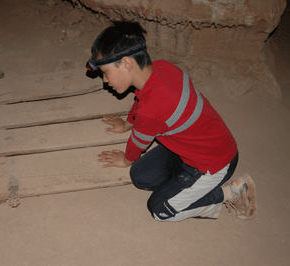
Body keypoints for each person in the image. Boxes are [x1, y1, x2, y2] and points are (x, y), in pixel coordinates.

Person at [87, 21, 257, 221]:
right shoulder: (162, 67)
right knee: (140, 175)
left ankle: (233, 192)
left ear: (126, 64)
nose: (105, 80)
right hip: (193, 146)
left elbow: (137, 143)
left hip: (213, 163)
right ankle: (184, 188)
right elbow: (141, 102)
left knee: (160, 210)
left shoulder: (152, 110)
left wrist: (125, 160)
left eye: (106, 73)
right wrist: (126, 124)